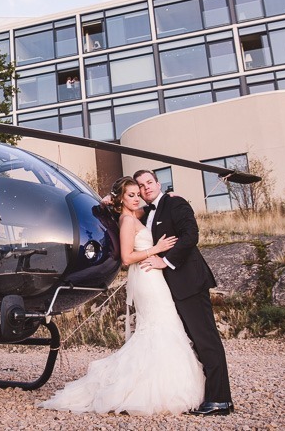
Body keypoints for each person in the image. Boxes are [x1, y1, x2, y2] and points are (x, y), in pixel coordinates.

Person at [38, 177, 205, 416]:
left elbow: (151, 206)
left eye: (138, 194)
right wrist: (155, 249)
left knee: (167, 325)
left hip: (154, 276)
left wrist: (169, 197)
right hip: (147, 277)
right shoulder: (127, 220)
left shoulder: (136, 215)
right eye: (131, 195)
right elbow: (126, 258)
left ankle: (168, 383)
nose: (137, 198)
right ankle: (151, 389)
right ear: (122, 199)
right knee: (159, 326)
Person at [134, 169, 233, 416]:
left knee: (205, 339)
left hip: (189, 282)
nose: (146, 188)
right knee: (190, 341)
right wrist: (107, 198)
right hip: (168, 290)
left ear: (158, 183)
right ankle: (204, 395)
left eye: (149, 182)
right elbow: (121, 207)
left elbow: (191, 236)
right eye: (141, 186)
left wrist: (164, 261)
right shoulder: (145, 213)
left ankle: (221, 400)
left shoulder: (175, 203)